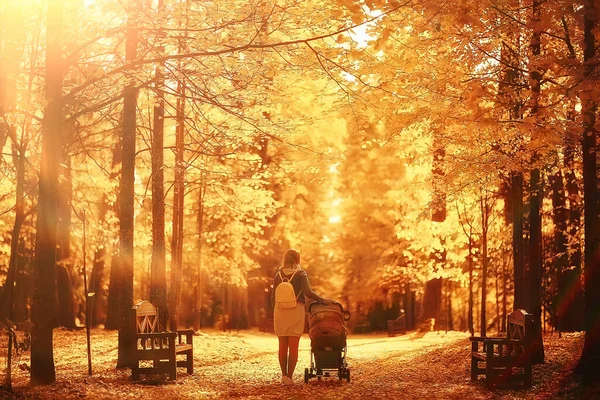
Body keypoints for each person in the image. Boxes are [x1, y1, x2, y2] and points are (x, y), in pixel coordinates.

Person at [272, 248, 330, 385]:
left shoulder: (277, 275)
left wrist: (275, 309)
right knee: (293, 346)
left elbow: (272, 296)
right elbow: (308, 292)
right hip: (295, 310)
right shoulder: (301, 274)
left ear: (285, 259)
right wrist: (321, 300)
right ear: (297, 259)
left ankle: (284, 376)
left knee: (282, 345)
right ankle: (289, 377)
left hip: (280, 311)